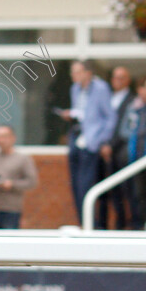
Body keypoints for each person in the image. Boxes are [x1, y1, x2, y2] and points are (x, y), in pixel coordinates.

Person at [58, 60, 115, 226]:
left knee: (86, 184)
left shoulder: (100, 88)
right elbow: (81, 112)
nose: (73, 75)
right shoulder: (74, 89)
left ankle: (93, 224)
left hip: (91, 141)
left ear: (88, 73)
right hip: (76, 136)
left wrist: (103, 140)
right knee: (75, 184)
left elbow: (110, 117)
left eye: (77, 72)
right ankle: (83, 222)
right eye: (72, 72)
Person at [99, 66, 139, 229]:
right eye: (115, 77)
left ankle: (135, 224)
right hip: (108, 153)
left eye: (121, 78)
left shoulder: (132, 100)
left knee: (130, 191)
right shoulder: (108, 98)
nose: (117, 81)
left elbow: (125, 128)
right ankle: (119, 223)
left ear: (128, 80)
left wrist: (111, 145)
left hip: (123, 152)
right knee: (113, 192)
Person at [127, 76, 146, 229]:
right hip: (136, 158)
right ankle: (138, 226)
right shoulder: (135, 109)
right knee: (137, 195)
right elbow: (130, 132)